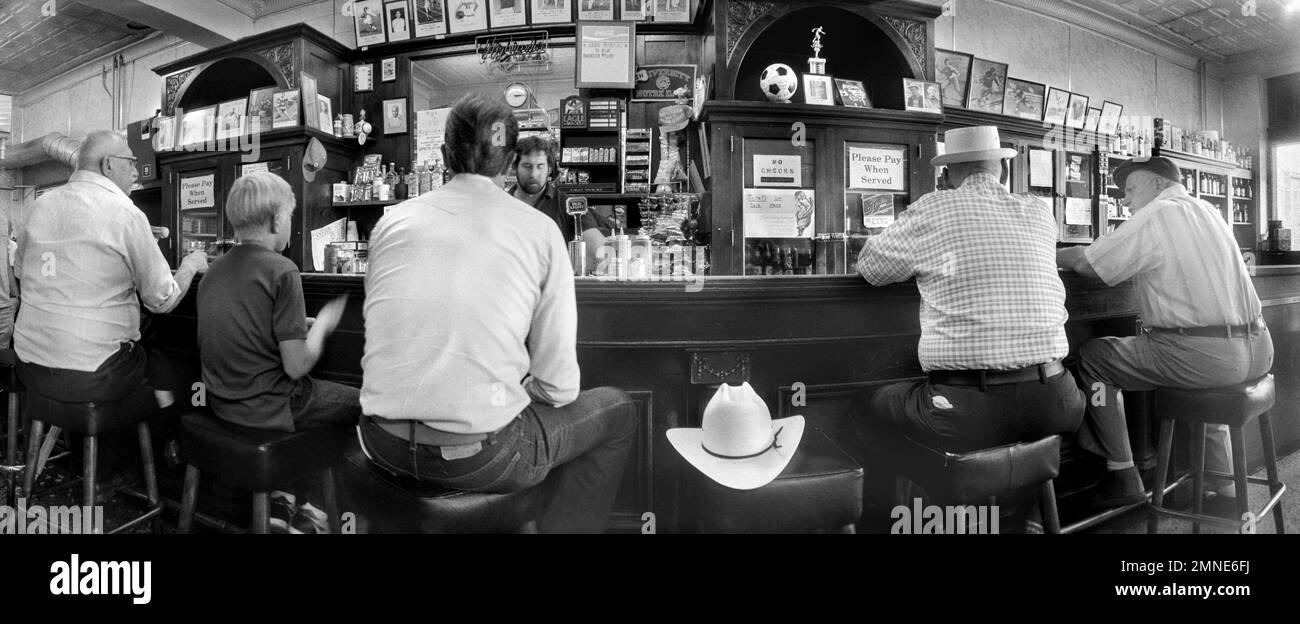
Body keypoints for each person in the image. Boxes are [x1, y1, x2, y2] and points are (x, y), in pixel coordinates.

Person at [359, 94, 636, 533]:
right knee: (618, 410)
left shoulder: (390, 222)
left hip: (377, 441)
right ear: (509, 161)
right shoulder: (539, 232)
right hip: (479, 456)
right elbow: (560, 387)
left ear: (446, 154)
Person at [851, 126, 1085, 512]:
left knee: (866, 405)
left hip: (967, 411)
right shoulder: (1041, 213)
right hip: (1057, 401)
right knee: (1024, 420)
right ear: (1004, 173)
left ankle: (901, 518)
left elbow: (870, 267)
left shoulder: (934, 207)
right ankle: (1020, 516)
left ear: (945, 177)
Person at [1057, 156, 1272, 508]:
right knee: (1206, 378)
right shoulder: (1207, 211)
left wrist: (1050, 254)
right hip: (1257, 349)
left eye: (1131, 189)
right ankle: (1229, 493)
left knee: (1094, 358)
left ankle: (1123, 472)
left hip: (1209, 357)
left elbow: (1087, 262)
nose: (1124, 199)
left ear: (1158, 184)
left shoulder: (1158, 214)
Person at [197, 171, 357, 533]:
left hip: (224, 406)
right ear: (276, 220)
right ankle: (314, 510)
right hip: (273, 406)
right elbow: (296, 366)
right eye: (290, 217)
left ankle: (281, 498)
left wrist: (294, 325)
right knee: (367, 404)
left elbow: (243, 330)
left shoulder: (212, 272)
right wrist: (324, 327)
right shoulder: (283, 271)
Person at [14, 130, 207, 407]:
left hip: (30, 367)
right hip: (93, 374)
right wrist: (191, 264)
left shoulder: (38, 206)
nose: (136, 171)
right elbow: (161, 300)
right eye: (130, 161)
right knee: (176, 367)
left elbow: (23, 273)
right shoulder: (126, 213)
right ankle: (164, 433)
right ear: (108, 164)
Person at [507, 135, 606, 267]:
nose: (534, 174)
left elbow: (599, 250)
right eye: (527, 166)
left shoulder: (567, 205)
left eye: (540, 166)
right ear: (514, 167)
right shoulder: (501, 205)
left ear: (549, 169)